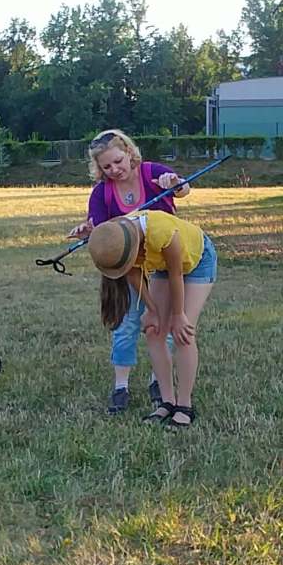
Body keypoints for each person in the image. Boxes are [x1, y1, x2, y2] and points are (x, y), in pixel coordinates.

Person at [66, 129, 192, 414]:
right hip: (130, 268)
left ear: (129, 152)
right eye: (106, 167)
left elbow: (184, 190)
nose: (114, 170)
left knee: (167, 324)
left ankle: (158, 381)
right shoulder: (102, 193)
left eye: (118, 162)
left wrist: (175, 183)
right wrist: (89, 231)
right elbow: (103, 232)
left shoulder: (152, 173)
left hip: (163, 265)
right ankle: (120, 386)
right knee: (127, 325)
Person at [87, 208, 217, 429]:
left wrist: (178, 315)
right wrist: (152, 309)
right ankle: (167, 401)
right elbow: (133, 273)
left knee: (182, 334)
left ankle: (184, 406)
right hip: (162, 265)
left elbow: (176, 274)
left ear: (136, 245)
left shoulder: (161, 232)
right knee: (153, 331)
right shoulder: (118, 238)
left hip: (196, 261)